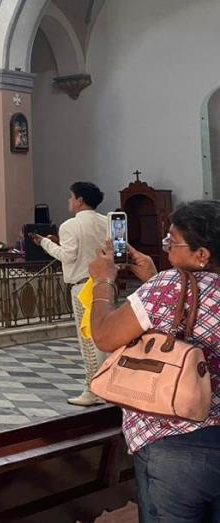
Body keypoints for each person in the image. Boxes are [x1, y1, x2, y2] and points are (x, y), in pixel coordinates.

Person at [88, 200, 220, 523]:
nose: (167, 249)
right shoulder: (168, 284)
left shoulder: (170, 287)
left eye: (172, 243)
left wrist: (104, 282)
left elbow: (104, 335)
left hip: (174, 445)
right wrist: (154, 277)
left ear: (201, 255)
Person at [29, 181, 109, 406]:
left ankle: (92, 389)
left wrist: (44, 242)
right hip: (105, 283)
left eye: (70, 197)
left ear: (80, 200)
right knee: (104, 337)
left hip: (83, 286)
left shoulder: (69, 226)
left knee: (88, 339)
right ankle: (106, 386)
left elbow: (68, 256)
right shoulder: (106, 222)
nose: (68, 201)